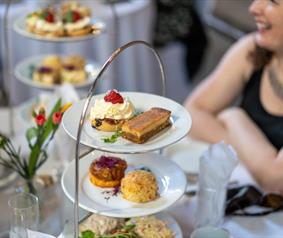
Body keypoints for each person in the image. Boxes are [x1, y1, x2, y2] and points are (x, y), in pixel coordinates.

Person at [185, 0, 283, 193]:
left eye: (272, 2)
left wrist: (235, 118)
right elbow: (192, 113)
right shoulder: (253, 50)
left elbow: (276, 181)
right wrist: (255, 157)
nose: (254, 8)